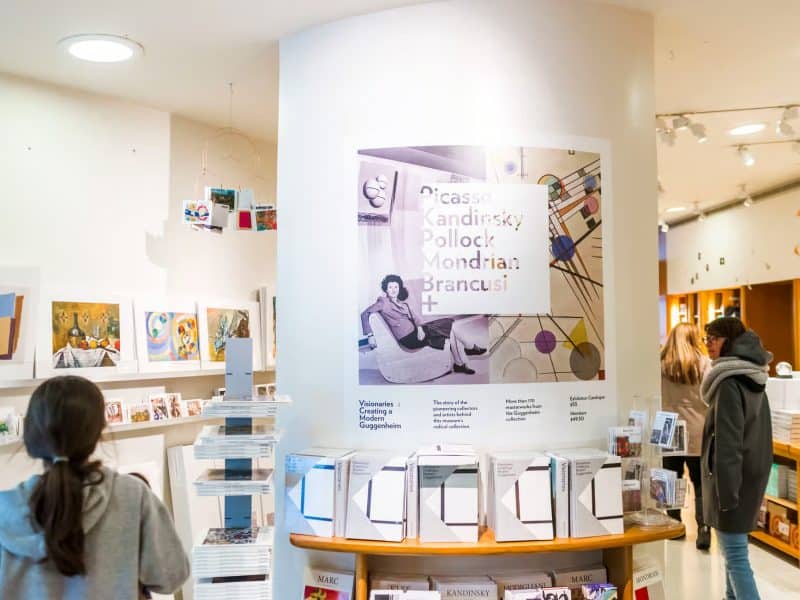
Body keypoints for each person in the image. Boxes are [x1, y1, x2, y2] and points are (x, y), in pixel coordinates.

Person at [0, 376, 190, 599]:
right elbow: (171, 577)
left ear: (30, 436)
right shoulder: (132, 496)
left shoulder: (5, 511)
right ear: (99, 432)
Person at [700, 317, 772, 600]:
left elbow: (728, 444)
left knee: (736, 558)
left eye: (714, 338)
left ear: (729, 342)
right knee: (732, 558)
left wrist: (726, 496)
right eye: (706, 338)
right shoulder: (753, 375)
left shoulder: (729, 383)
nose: (708, 344)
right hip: (749, 478)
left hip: (731, 485)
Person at [361, 274, 485, 375]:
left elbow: (415, 317)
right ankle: (468, 349)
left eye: (396, 287)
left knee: (450, 326)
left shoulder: (402, 303)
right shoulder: (383, 303)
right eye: (390, 287)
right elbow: (364, 314)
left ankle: (460, 363)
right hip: (408, 339)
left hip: (416, 333)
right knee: (449, 325)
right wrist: (370, 335)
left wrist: (420, 328)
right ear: (386, 289)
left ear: (399, 289)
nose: (393, 290)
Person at [660, 322, 711, 549]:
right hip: (697, 426)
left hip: (667, 425)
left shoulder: (661, 363)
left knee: (670, 477)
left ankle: (674, 524)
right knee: (701, 481)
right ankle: (704, 527)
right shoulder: (704, 363)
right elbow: (709, 397)